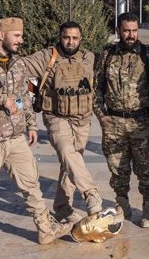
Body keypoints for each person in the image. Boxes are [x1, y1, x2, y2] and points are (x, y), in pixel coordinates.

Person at [0, 17, 70, 259]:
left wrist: (30, 124)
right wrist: (1, 99)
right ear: (2, 35)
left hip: (16, 137)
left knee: (32, 187)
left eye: (21, 35)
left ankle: (45, 229)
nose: (21, 40)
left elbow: (25, 96)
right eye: (17, 36)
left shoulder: (19, 64)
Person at [23, 21, 102, 223]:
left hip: (82, 119)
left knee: (71, 163)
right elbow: (19, 67)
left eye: (75, 38)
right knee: (67, 152)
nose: (70, 41)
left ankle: (62, 208)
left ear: (81, 39)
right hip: (56, 117)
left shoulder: (89, 58)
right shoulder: (46, 57)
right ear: (60, 37)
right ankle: (91, 195)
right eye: (66, 37)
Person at [94, 12, 149, 228]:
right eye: (126, 31)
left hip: (142, 122)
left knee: (146, 168)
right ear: (118, 31)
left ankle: (148, 208)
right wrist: (102, 117)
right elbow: (97, 89)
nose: (130, 35)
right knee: (117, 169)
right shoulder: (107, 54)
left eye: (134, 30)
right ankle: (122, 203)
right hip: (114, 123)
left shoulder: (148, 54)